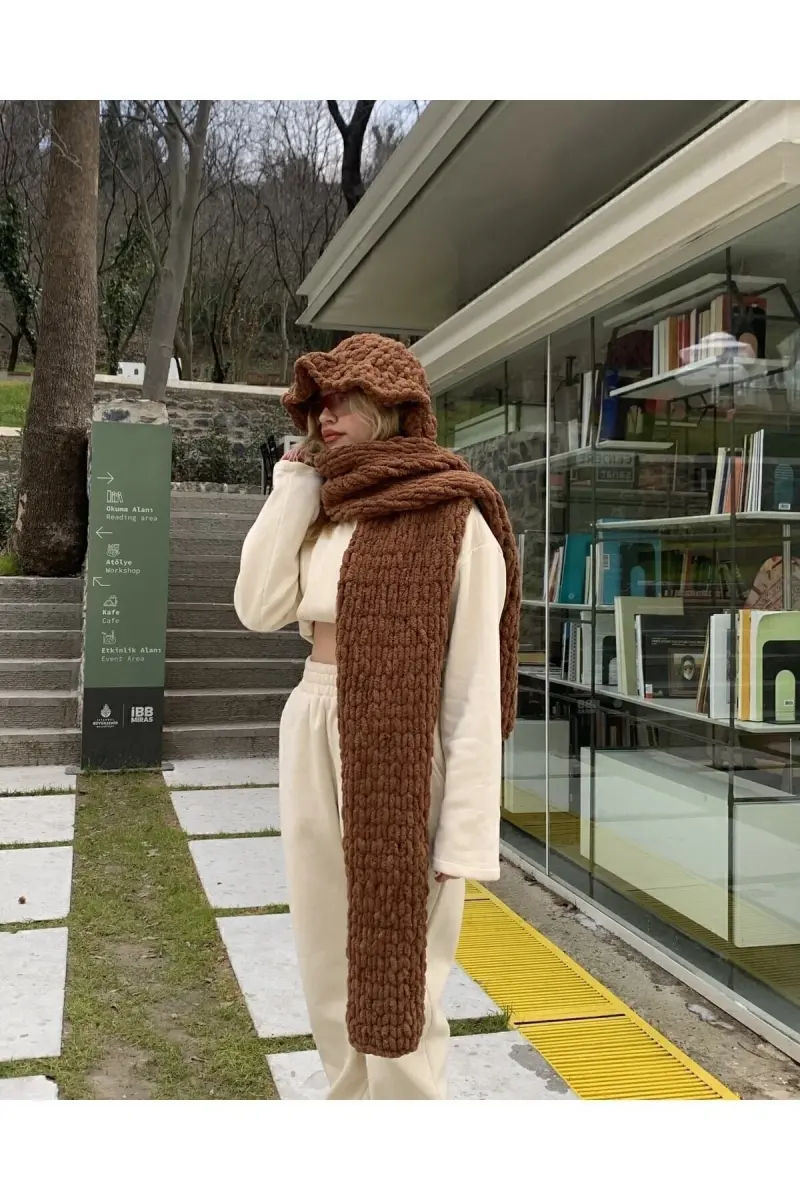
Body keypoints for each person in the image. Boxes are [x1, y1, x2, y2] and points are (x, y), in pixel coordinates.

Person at [234, 333, 520, 1100]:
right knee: (325, 954)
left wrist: (464, 831)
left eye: (345, 399)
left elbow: (473, 686)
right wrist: (295, 484)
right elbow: (257, 605)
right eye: (318, 404)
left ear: (392, 407)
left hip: (406, 741)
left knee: (404, 967)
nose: (325, 416)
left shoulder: (456, 513)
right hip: (315, 716)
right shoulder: (324, 507)